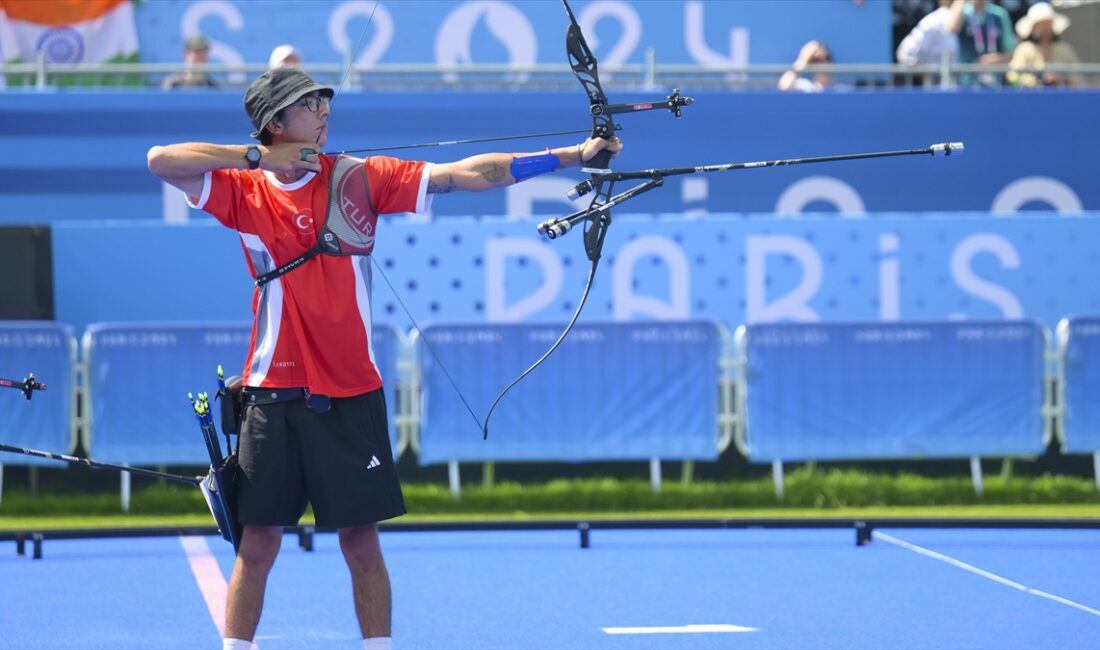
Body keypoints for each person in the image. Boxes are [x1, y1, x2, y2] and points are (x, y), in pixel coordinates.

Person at [146, 66, 622, 650]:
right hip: (271, 392)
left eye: (324, 100)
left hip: (350, 390)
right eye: (308, 103)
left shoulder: (358, 180)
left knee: (362, 544)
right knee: (258, 544)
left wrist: (573, 155)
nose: (324, 110)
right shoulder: (242, 192)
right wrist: (256, 158)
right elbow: (161, 160)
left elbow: (467, 174)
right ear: (275, 123)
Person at [1007, 2, 1084, 88]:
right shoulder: (1025, 49)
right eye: (1041, 25)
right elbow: (1013, 76)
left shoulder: (1064, 49)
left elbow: (1077, 76)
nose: (1045, 28)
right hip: (1032, 97)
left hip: (1062, 97)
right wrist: (1035, 80)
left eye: (1048, 24)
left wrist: (1060, 79)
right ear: (1033, 28)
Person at [956, 0, 1016, 85]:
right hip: (967, 83)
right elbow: (951, 28)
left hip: (997, 84)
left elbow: (1010, 53)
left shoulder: (999, 14)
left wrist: (991, 60)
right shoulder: (962, 13)